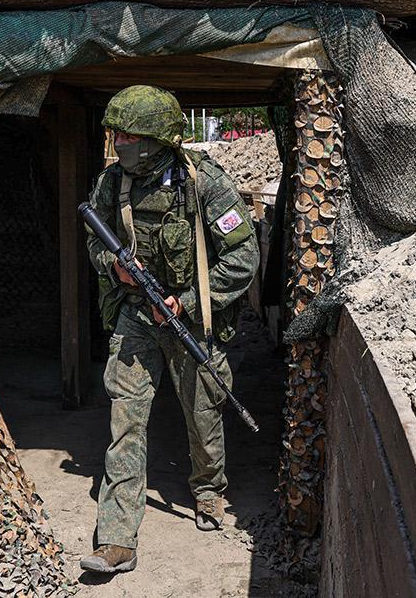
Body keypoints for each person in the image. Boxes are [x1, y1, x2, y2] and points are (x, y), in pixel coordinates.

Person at [79, 85, 260, 575]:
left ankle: (207, 490)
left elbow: (243, 259)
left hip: (192, 321)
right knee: (126, 423)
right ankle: (116, 538)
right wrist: (113, 268)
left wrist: (188, 302)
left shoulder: (205, 184)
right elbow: (95, 247)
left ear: (158, 139)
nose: (120, 143)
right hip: (136, 318)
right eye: (115, 134)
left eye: (130, 135)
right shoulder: (111, 185)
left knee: (203, 413)